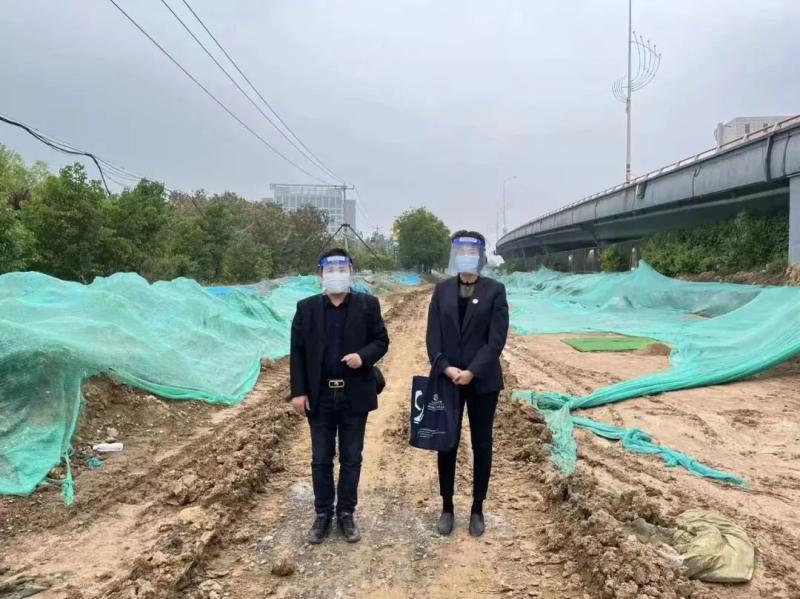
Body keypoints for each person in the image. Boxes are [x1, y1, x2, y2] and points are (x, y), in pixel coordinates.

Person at [290, 248, 390, 544]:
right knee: (321, 458)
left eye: (342, 269)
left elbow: (381, 340)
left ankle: (346, 512)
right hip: (320, 395)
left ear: (351, 273)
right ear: (320, 274)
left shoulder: (367, 305)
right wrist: (298, 392)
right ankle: (323, 513)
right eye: (330, 270)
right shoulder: (306, 308)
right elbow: (297, 352)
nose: (336, 275)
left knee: (351, 458)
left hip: (354, 393)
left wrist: (363, 356)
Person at [425, 230, 509, 537]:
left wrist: (472, 371)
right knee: (446, 442)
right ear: (454, 255)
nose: (467, 256)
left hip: (482, 381)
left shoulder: (495, 291)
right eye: (461, 251)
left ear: (481, 256)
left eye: (472, 251)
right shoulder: (442, 290)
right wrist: (446, 368)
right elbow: (433, 337)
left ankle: (477, 508)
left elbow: (496, 340)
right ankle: (447, 507)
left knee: (481, 443)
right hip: (447, 380)